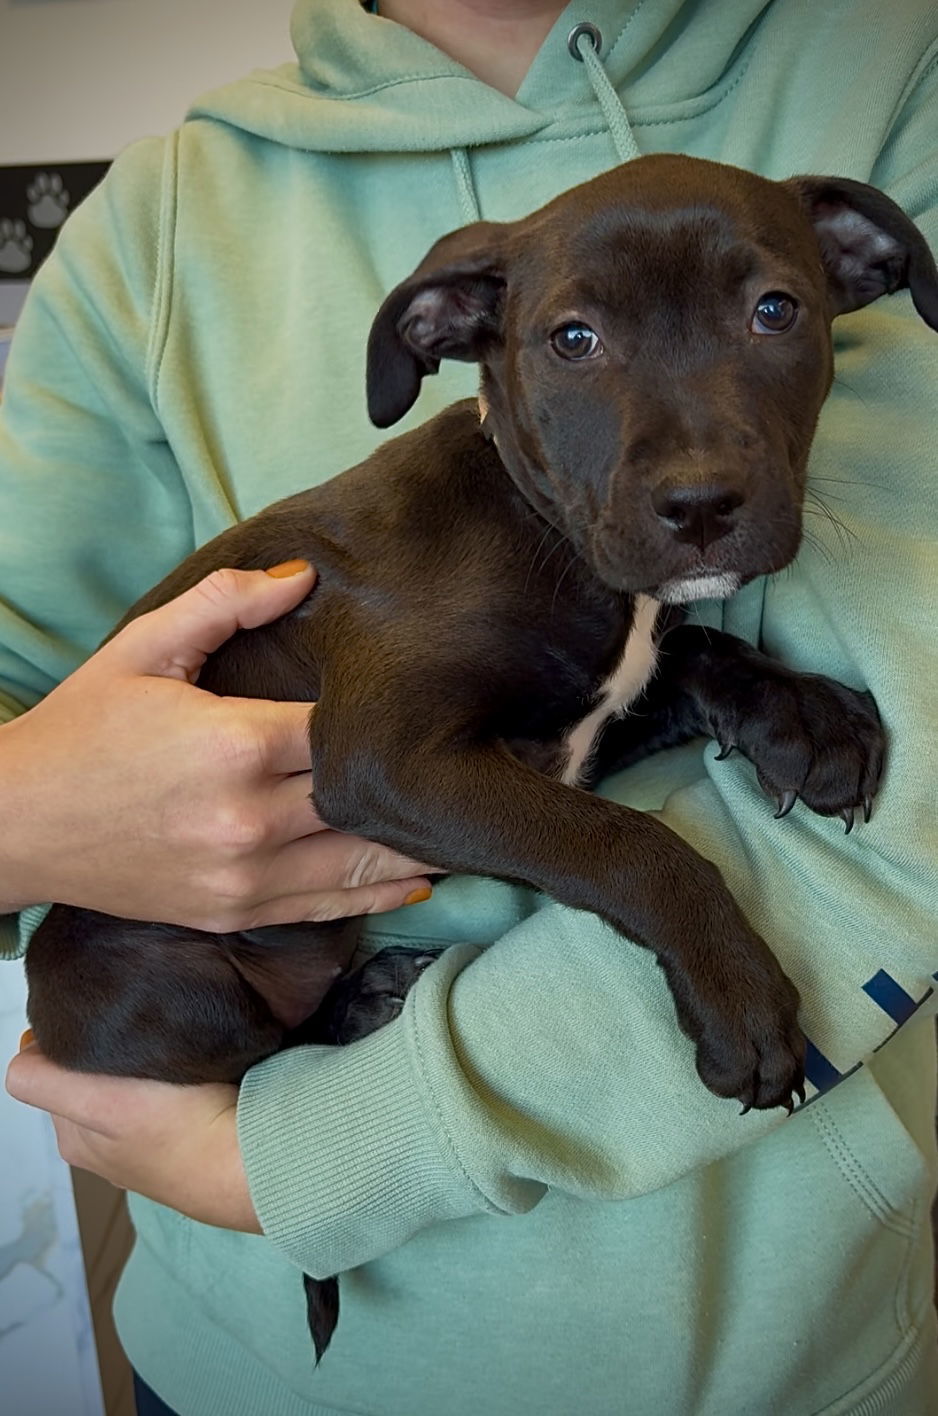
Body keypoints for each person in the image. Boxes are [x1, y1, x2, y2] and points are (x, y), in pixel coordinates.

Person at [3, 1, 938, 1412]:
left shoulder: (895, 70)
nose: (690, 451)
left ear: (857, 273)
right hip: (230, 1300)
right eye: (574, 339)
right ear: (457, 339)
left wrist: (720, 683)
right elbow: (377, 759)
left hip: (783, 1350)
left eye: (767, 312)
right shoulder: (168, 224)